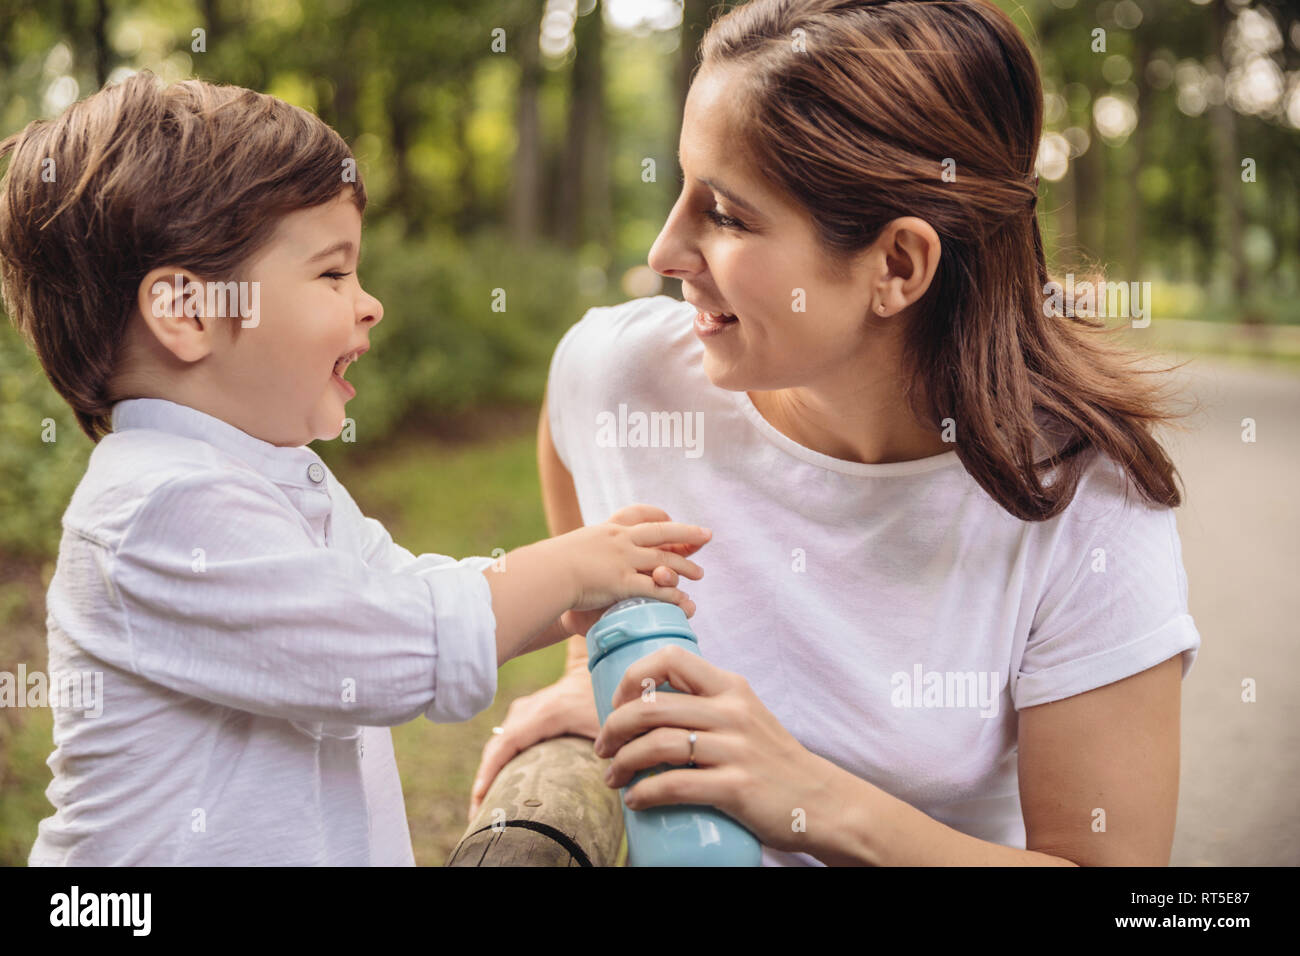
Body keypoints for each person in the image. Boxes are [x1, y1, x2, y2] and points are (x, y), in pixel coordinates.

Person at [469, 0, 1203, 866]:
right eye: (682, 188)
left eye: (728, 215)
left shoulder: (1087, 503)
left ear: (897, 265)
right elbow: (571, 431)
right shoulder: (620, 376)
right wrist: (588, 666)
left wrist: (814, 798)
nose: (666, 249)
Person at [0, 72, 711, 865]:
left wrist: (565, 603)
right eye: (333, 273)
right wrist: (567, 568)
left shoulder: (270, 473)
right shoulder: (157, 505)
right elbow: (387, 644)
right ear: (188, 313)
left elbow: (400, 591)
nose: (368, 303)